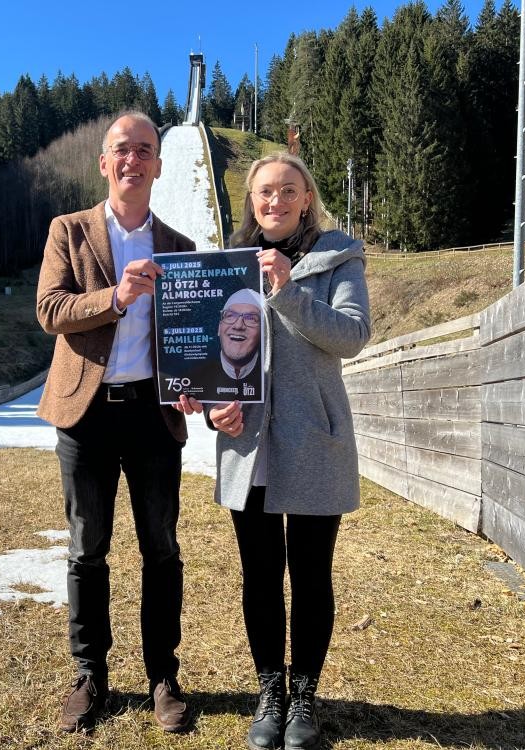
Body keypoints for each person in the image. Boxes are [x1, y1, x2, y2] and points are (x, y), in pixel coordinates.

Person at [176, 152, 371, 749]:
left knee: (311, 576)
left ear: (306, 197)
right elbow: (212, 360)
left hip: (315, 440)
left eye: (288, 191)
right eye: (264, 192)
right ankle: (270, 691)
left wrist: (288, 290)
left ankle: (304, 697)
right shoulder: (227, 267)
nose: (275, 202)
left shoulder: (339, 256)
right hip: (248, 446)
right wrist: (211, 407)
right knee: (260, 576)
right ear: (251, 201)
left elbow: (351, 336)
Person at [36, 111, 196, 734]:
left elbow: (193, 339)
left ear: (159, 165)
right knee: (87, 548)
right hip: (86, 413)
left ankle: (163, 676)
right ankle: (90, 674)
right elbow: (50, 310)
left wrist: (198, 389)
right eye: (122, 150)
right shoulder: (68, 231)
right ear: (104, 163)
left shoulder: (180, 249)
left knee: (162, 550)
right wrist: (116, 297)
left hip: (154, 416)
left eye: (145, 151)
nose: (133, 160)